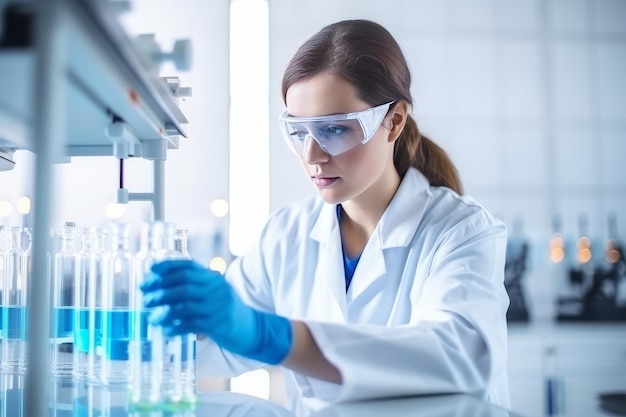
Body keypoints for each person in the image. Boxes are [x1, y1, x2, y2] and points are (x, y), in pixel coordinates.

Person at [141, 19, 510, 414]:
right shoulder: (287, 234)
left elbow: (454, 358)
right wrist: (161, 327)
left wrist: (276, 337)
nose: (312, 156)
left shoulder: (462, 230)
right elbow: (221, 346)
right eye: (299, 132)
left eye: (334, 129)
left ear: (394, 121)